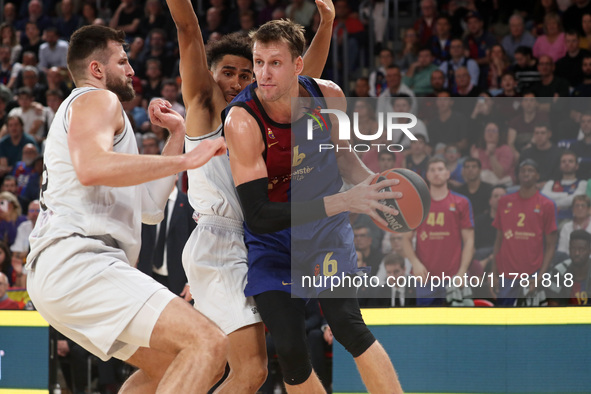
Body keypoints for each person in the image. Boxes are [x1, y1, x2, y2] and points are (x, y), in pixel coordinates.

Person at [25, 25, 230, 392]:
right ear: (97, 69)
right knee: (209, 343)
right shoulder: (97, 99)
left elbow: (150, 208)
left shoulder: (95, 113)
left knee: (167, 368)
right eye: (123, 60)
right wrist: (187, 162)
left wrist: (178, 138)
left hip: (65, 270)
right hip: (79, 261)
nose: (132, 69)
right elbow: (93, 168)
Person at [223, 19, 403, 393]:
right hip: (273, 241)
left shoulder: (328, 96)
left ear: (298, 65)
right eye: (258, 62)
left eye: (275, 63)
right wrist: (343, 200)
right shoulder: (242, 121)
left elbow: (345, 158)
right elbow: (258, 215)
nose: (263, 73)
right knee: (289, 347)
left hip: (324, 235)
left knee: (348, 326)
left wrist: (374, 188)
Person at [165, 0, 337, 391]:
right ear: (209, 76)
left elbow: (302, 74)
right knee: (251, 370)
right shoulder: (205, 108)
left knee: (228, 367)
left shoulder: (256, 115)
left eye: (247, 74)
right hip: (219, 240)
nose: (237, 81)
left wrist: (326, 22)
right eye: (227, 72)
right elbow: (189, 30)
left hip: (256, 241)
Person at [402, 158, 474, 305]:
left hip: (453, 276)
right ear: (426, 175)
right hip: (425, 277)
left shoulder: (462, 202)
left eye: (440, 169)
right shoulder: (418, 204)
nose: (437, 173)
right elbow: (405, 238)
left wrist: (462, 271)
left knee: (455, 323)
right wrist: (415, 263)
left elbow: (469, 241)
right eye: (432, 170)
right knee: (426, 325)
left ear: (448, 174)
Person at [492, 159, 558, 305]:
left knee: (531, 321)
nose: (526, 173)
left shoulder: (547, 205)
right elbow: (498, 240)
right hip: (506, 273)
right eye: (523, 170)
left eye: (530, 170)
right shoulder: (504, 201)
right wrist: (493, 273)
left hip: (532, 272)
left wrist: (540, 277)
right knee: (504, 321)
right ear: (518, 176)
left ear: (538, 176)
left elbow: (551, 246)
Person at [546, 229, 591, 306]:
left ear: (589, 250)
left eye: (581, 249)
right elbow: (552, 305)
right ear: (569, 249)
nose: (577, 253)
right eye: (573, 248)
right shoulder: (558, 272)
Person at [541, 150, 587, 222]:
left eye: (570, 161)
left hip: (571, 220)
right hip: (550, 220)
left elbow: (574, 200)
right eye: (563, 161)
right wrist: (566, 195)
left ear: (577, 166)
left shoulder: (582, 183)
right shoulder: (551, 183)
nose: (567, 163)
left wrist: (552, 202)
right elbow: (543, 197)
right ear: (560, 165)